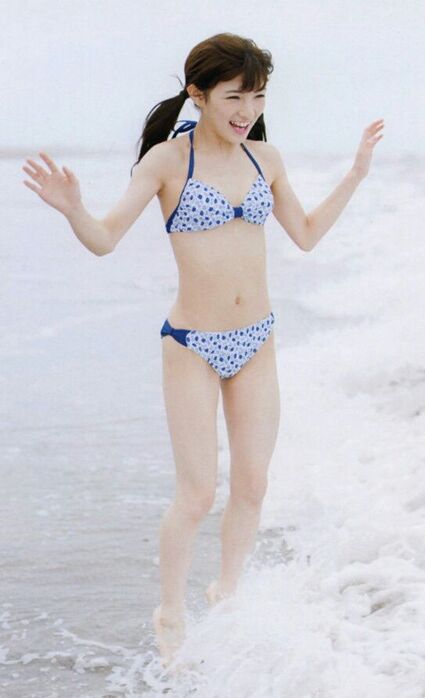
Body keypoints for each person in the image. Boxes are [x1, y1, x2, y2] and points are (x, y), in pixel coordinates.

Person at [21, 32, 384, 666]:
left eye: (258, 96)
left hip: (256, 340)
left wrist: (355, 174)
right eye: (234, 97)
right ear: (199, 94)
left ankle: (227, 594)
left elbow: (304, 235)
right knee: (196, 495)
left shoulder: (265, 158)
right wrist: (74, 209)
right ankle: (171, 610)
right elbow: (104, 239)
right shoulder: (167, 161)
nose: (247, 111)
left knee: (253, 484)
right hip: (192, 344)